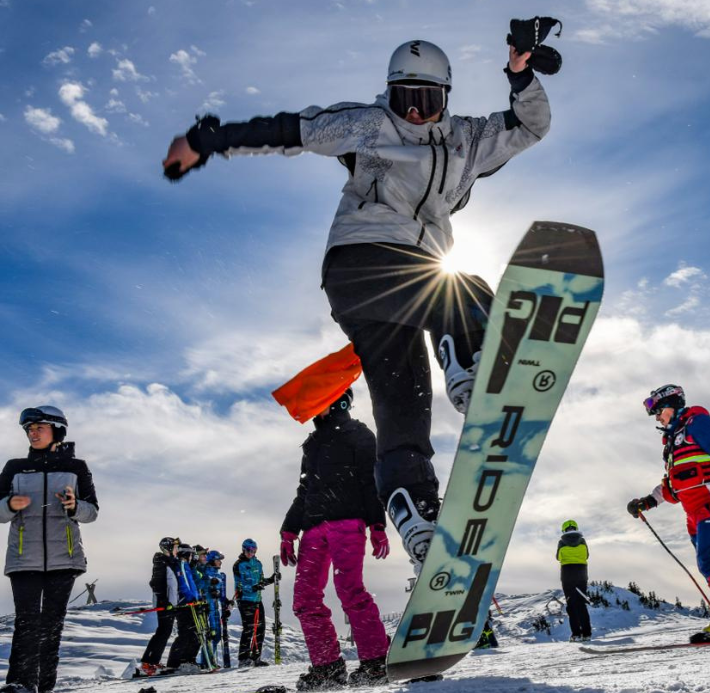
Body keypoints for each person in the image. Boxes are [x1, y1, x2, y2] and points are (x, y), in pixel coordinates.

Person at [161, 34, 552, 573]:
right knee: (460, 289)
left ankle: (419, 520)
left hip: (398, 290)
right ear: (387, 94)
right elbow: (287, 130)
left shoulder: (468, 139)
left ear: (446, 95)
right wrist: (208, 140)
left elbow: (529, 125)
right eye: (404, 99)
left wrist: (521, 76)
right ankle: (467, 362)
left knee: (404, 408)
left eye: (428, 101)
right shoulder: (366, 124)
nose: (415, 114)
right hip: (360, 264)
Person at [279, 389, 390, 690]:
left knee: (349, 590)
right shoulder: (312, 444)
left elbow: (371, 480)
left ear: (339, 400)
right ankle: (327, 667)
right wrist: (289, 531)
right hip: (314, 528)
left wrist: (377, 523)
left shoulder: (360, 434)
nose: (316, 407)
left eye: (322, 400)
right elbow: (305, 490)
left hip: (347, 522)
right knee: (304, 599)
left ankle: (377, 661)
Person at [626, 385, 710, 641]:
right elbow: (672, 482)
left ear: (671, 405)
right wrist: (649, 501)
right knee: (709, 563)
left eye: (658, 412)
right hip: (692, 510)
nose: (657, 418)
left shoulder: (697, 422)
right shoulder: (672, 439)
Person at [0, 406, 99, 693]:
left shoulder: (76, 467)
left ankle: (45, 690)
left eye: (39, 427)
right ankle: (19, 687)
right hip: (23, 558)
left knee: (51, 626)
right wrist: (10, 504)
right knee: (27, 623)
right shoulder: (15, 467)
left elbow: (92, 511)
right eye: (28, 428)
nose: (32, 433)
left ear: (56, 430)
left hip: (64, 558)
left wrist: (73, 507)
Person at [137, 537, 181, 677]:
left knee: (165, 632)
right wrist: (164, 601)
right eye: (174, 547)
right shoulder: (161, 562)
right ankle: (147, 662)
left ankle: (152, 661)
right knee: (163, 632)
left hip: (170, 604)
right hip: (164, 605)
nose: (177, 550)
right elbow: (156, 583)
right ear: (167, 548)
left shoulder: (171, 562)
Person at [232, 538, 274, 666]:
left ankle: (256, 657)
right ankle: (243, 658)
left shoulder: (258, 563)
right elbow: (240, 585)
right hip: (245, 599)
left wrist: (270, 580)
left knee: (260, 628)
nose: (251, 553)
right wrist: (253, 587)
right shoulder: (238, 564)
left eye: (254, 550)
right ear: (243, 550)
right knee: (249, 628)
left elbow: (260, 580)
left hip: (257, 599)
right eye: (249, 550)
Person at [166, 544, 204, 671]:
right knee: (185, 634)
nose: (192, 557)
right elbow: (183, 584)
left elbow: (192, 585)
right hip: (184, 605)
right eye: (191, 554)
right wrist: (190, 597)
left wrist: (198, 597)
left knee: (195, 635)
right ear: (187, 554)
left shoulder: (186, 566)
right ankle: (174, 662)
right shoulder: (181, 565)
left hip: (191, 603)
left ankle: (188, 660)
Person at [556, 519, 592, 642]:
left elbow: (558, 557)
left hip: (567, 573)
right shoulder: (582, 541)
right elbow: (587, 555)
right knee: (581, 604)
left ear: (564, 529)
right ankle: (586, 634)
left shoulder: (561, 542)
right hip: (581, 572)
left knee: (571, 605)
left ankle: (576, 634)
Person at [202, 551, 228, 668]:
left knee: (217, 635)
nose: (220, 562)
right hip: (208, 608)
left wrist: (226, 601)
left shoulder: (219, 575)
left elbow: (220, 593)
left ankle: (210, 660)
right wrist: (209, 587)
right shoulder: (206, 573)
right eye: (218, 560)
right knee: (210, 635)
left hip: (215, 608)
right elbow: (203, 586)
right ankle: (207, 661)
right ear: (212, 561)